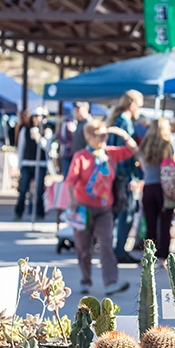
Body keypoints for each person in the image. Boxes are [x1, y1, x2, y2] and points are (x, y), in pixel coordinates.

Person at [65, 119, 139, 295]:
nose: (104, 138)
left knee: (107, 244)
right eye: (100, 135)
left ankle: (111, 282)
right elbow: (70, 181)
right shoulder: (81, 156)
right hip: (84, 208)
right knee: (83, 247)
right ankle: (85, 280)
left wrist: (122, 134)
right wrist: (72, 200)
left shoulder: (110, 154)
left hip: (105, 208)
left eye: (105, 135)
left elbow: (134, 150)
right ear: (88, 137)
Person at [106, 90, 143, 263]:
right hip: (123, 176)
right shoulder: (124, 122)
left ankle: (114, 249)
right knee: (125, 214)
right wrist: (129, 178)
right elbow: (124, 153)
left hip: (115, 174)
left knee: (117, 214)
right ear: (132, 105)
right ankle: (119, 251)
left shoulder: (117, 119)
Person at [139, 118, 175, 266]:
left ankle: (149, 257)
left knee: (150, 224)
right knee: (165, 223)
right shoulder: (168, 144)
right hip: (164, 187)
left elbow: (142, 165)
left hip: (149, 186)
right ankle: (163, 257)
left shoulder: (145, 144)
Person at [13, 111, 51, 221]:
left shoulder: (46, 131)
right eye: (35, 116)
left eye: (39, 116)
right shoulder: (25, 130)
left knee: (39, 190)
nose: (37, 119)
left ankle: (40, 212)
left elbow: (47, 148)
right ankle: (18, 212)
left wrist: (39, 138)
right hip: (27, 163)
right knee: (23, 189)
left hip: (41, 164)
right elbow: (21, 147)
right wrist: (18, 165)